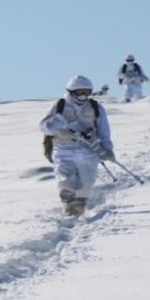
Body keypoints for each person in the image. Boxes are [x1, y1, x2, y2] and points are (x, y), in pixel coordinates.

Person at [39, 75, 115, 217]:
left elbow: (104, 131)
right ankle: (68, 201)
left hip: (89, 151)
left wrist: (108, 149)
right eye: (80, 92)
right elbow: (44, 127)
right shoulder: (59, 106)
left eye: (87, 92)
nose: (84, 96)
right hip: (63, 149)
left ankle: (78, 207)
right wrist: (58, 130)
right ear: (71, 91)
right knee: (65, 178)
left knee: (86, 184)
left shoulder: (95, 107)